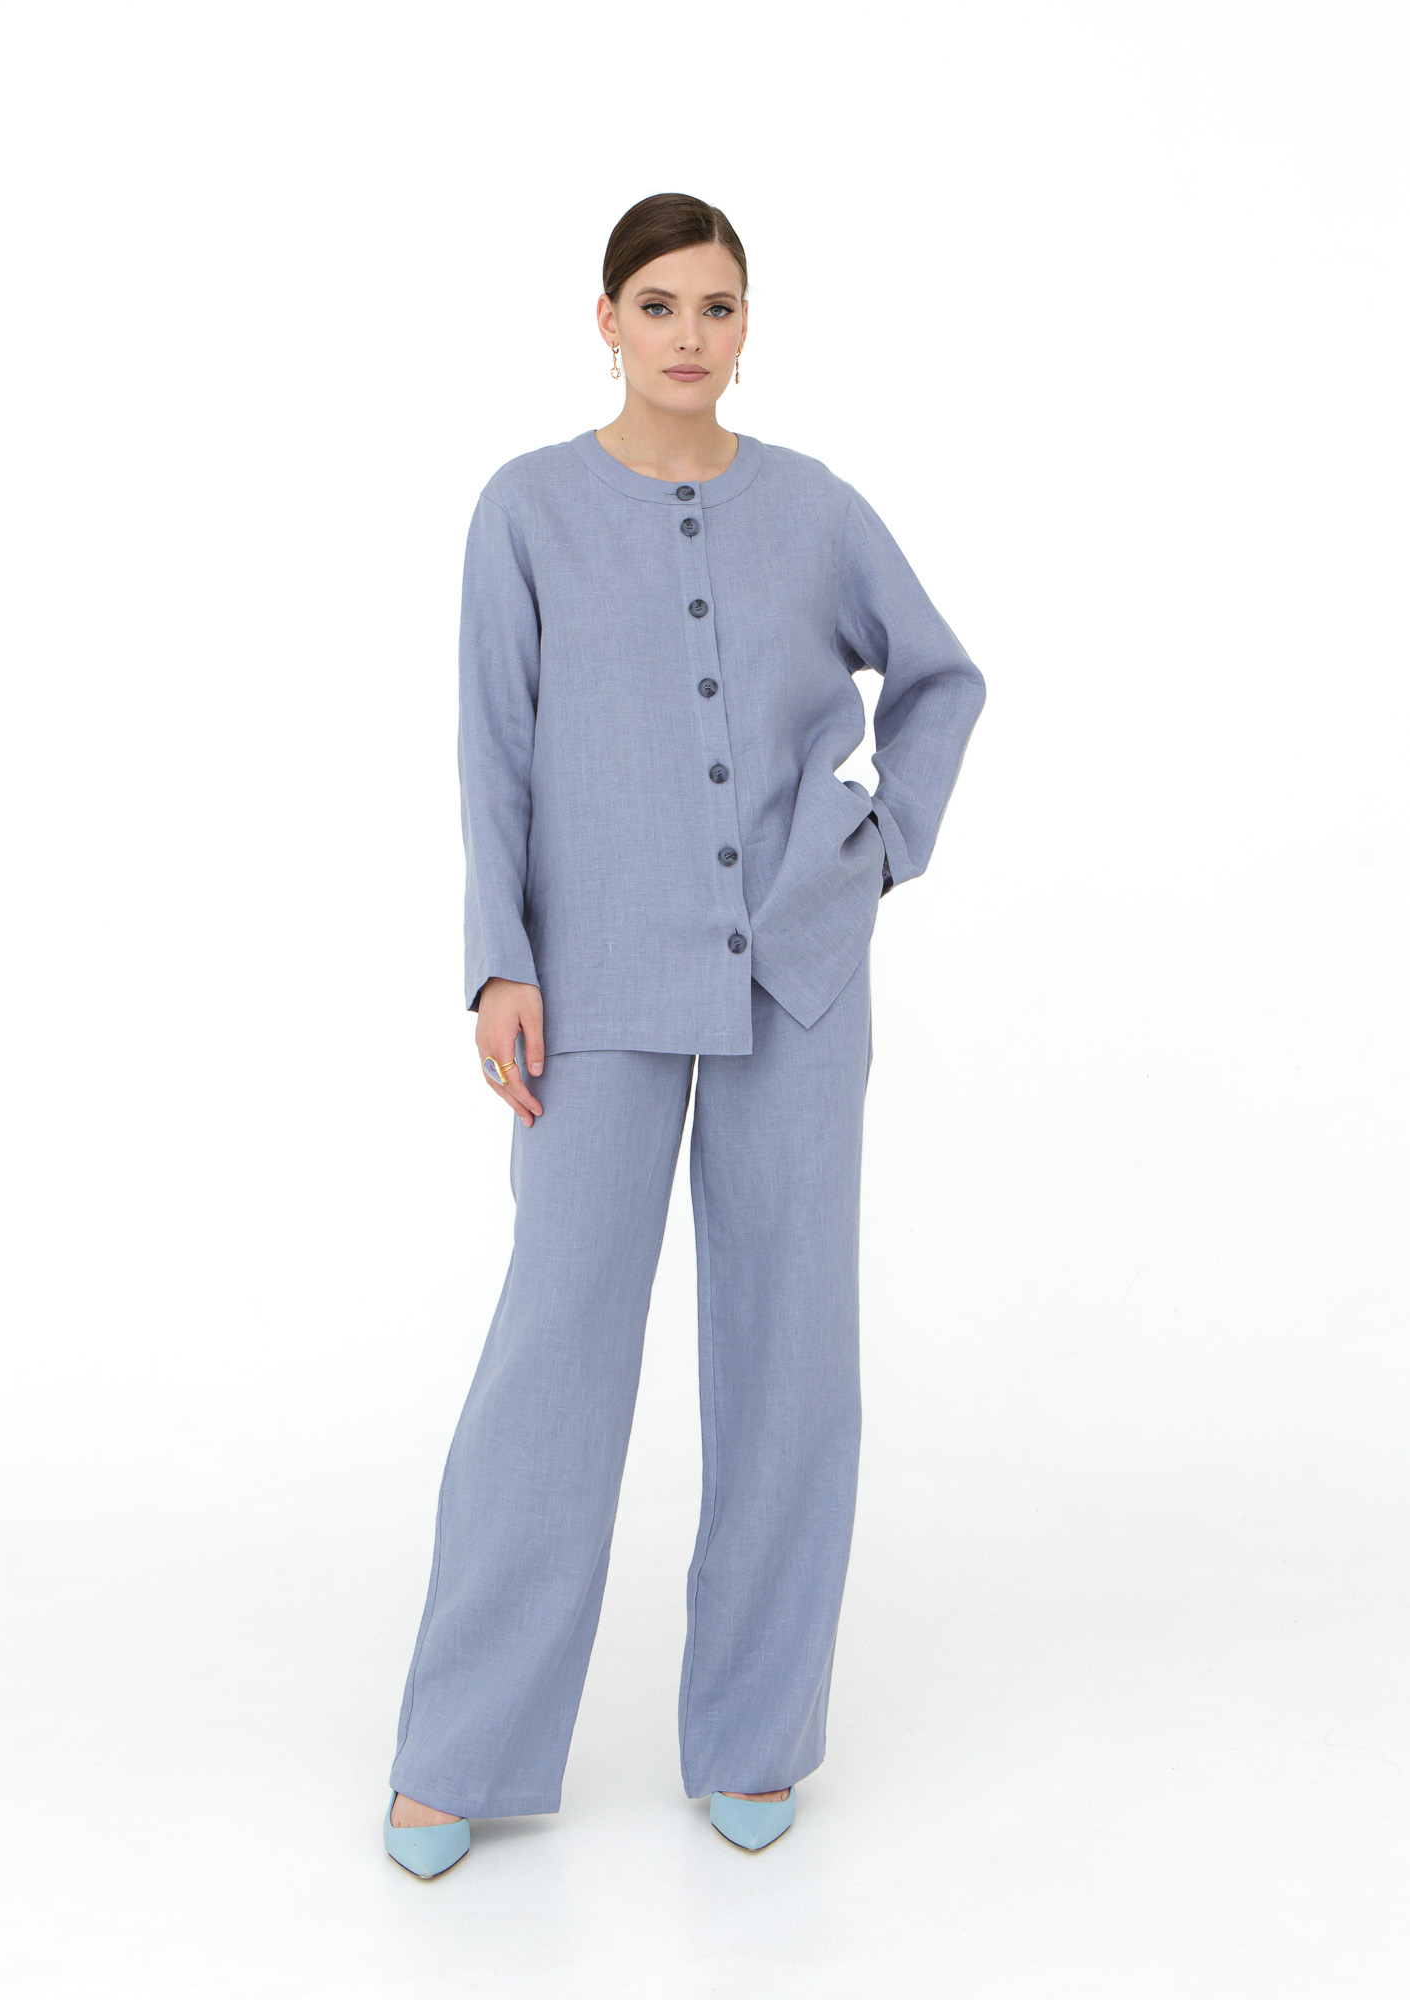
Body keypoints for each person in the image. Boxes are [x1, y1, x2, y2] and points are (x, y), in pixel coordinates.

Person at [383, 191, 986, 1878]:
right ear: (607, 322)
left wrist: (875, 845)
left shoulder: (817, 509)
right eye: (659, 304)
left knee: (792, 1351)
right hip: (591, 981)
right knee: (554, 1350)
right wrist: (499, 963)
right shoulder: (526, 509)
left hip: (799, 972)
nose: (689, 335)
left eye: (718, 306)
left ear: (745, 326)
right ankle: (462, 1747)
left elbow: (940, 680)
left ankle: (755, 1731)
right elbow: (491, 749)